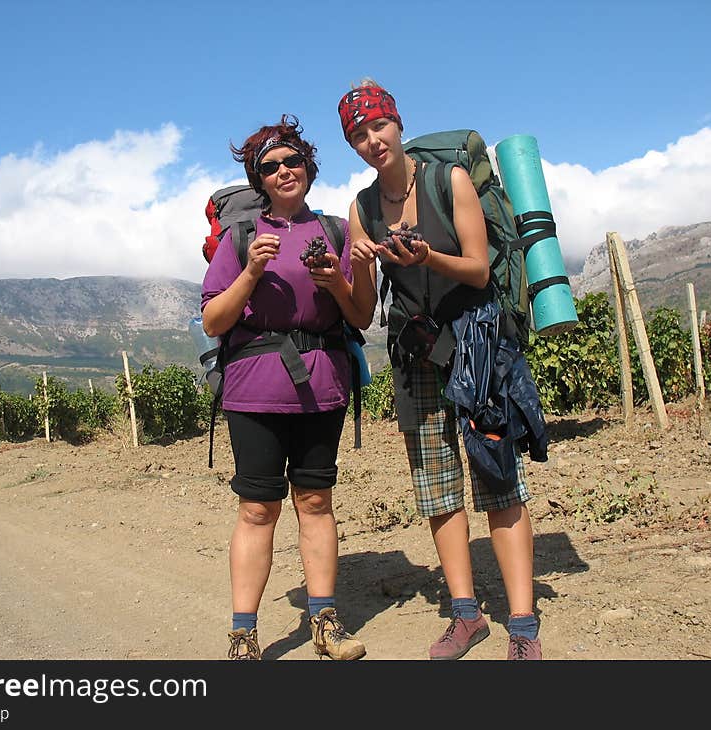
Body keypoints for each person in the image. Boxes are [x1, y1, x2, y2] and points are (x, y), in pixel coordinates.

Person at [337, 80, 543, 660]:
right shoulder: (362, 208)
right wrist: (346, 272)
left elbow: (478, 270)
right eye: (359, 134)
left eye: (378, 126)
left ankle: (523, 627)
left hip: (475, 341)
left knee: (498, 477)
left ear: (397, 125)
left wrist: (428, 254)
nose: (372, 140)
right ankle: (466, 615)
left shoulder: (446, 180)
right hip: (414, 352)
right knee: (438, 488)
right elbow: (359, 309)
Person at [201, 114, 378, 660]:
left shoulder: (334, 233)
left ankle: (325, 625)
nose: (283, 172)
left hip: (321, 385)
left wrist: (337, 282)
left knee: (316, 501)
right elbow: (213, 322)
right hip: (253, 392)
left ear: (308, 167)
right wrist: (250, 273)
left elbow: (362, 315)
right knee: (257, 508)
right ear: (259, 180)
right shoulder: (241, 238)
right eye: (270, 167)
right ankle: (243, 635)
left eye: (292, 161)